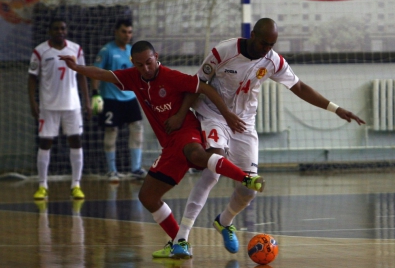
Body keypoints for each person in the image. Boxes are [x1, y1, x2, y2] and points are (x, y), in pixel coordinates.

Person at [154, 18, 366, 258]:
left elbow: (299, 87)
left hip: (244, 123)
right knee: (212, 169)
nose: (267, 48)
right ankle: (182, 238)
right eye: (264, 42)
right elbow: (197, 84)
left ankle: (224, 221)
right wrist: (182, 114)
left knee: (249, 190)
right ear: (252, 34)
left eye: (272, 44)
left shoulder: (273, 61)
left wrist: (336, 109)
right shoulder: (224, 51)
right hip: (214, 114)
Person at [58, 40, 265, 259]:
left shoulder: (170, 76)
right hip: (169, 144)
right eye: (140, 65)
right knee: (148, 196)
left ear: (156, 56)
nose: (145, 69)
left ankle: (246, 179)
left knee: (196, 154)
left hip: (187, 130)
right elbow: (103, 74)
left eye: (149, 62)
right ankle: (179, 242)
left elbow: (202, 87)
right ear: (133, 63)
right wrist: (77, 68)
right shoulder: (132, 77)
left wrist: (221, 114)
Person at [28, 18, 91, 200]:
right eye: (56, 29)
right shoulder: (40, 51)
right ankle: (42, 185)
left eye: (63, 28)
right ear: (50, 31)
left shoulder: (76, 49)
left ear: (66, 30)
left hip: (72, 105)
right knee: (45, 143)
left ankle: (76, 185)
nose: (60, 31)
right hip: (48, 106)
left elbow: (82, 76)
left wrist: (87, 101)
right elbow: (32, 77)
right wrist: (33, 102)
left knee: (76, 141)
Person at [91, 19, 146, 182]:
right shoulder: (107, 50)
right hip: (110, 99)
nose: (127, 35)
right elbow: (96, 72)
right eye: (124, 32)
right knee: (111, 132)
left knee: (137, 131)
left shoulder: (132, 51)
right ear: (116, 32)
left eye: (130, 32)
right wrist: (95, 94)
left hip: (130, 98)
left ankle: (136, 168)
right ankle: (111, 170)